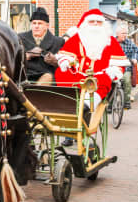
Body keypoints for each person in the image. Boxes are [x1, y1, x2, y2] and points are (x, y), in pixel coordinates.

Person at [55, 9, 129, 146]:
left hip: (99, 77)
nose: (95, 24)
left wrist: (112, 71)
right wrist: (66, 61)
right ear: (85, 23)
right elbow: (66, 54)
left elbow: (119, 63)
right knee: (61, 72)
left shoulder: (110, 40)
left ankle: (87, 106)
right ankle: (69, 108)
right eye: (92, 21)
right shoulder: (77, 38)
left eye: (98, 21)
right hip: (78, 74)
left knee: (103, 80)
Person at [19, 7, 64, 84]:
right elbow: (13, 59)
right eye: (34, 23)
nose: (36, 26)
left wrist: (55, 62)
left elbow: (65, 66)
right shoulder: (20, 38)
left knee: (47, 77)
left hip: (46, 77)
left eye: (40, 23)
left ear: (47, 26)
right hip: (25, 76)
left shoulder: (58, 42)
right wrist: (27, 55)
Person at [115, 25, 138, 109]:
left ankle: (126, 102)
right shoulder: (112, 42)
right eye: (123, 33)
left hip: (126, 68)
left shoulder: (129, 43)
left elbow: (136, 51)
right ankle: (109, 104)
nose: (125, 35)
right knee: (110, 82)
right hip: (114, 68)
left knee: (127, 81)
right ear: (117, 34)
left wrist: (135, 58)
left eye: (126, 33)